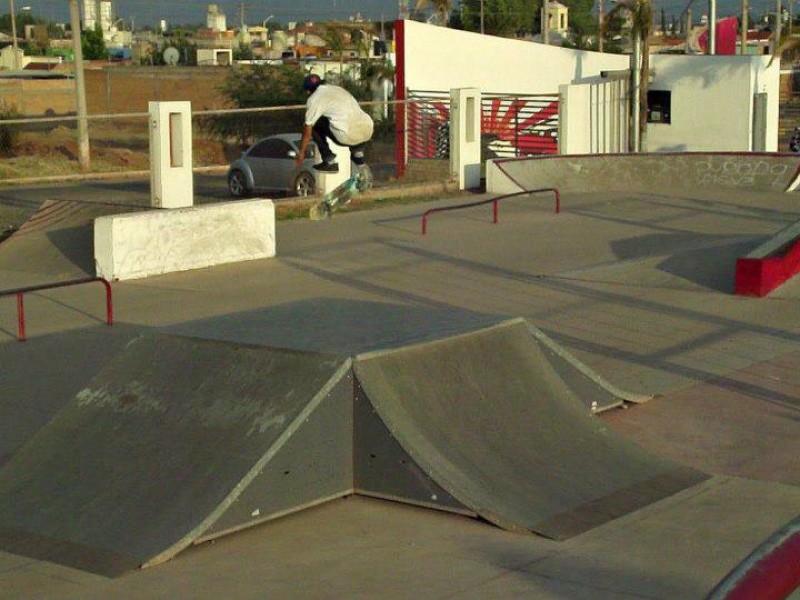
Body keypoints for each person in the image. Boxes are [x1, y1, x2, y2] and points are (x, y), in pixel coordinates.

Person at [295, 73, 374, 173]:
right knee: (348, 120)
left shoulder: (314, 99)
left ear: (307, 91)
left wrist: (301, 152)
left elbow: (307, 130)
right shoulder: (338, 89)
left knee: (313, 125)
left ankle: (328, 159)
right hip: (367, 130)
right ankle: (358, 156)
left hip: (347, 136)